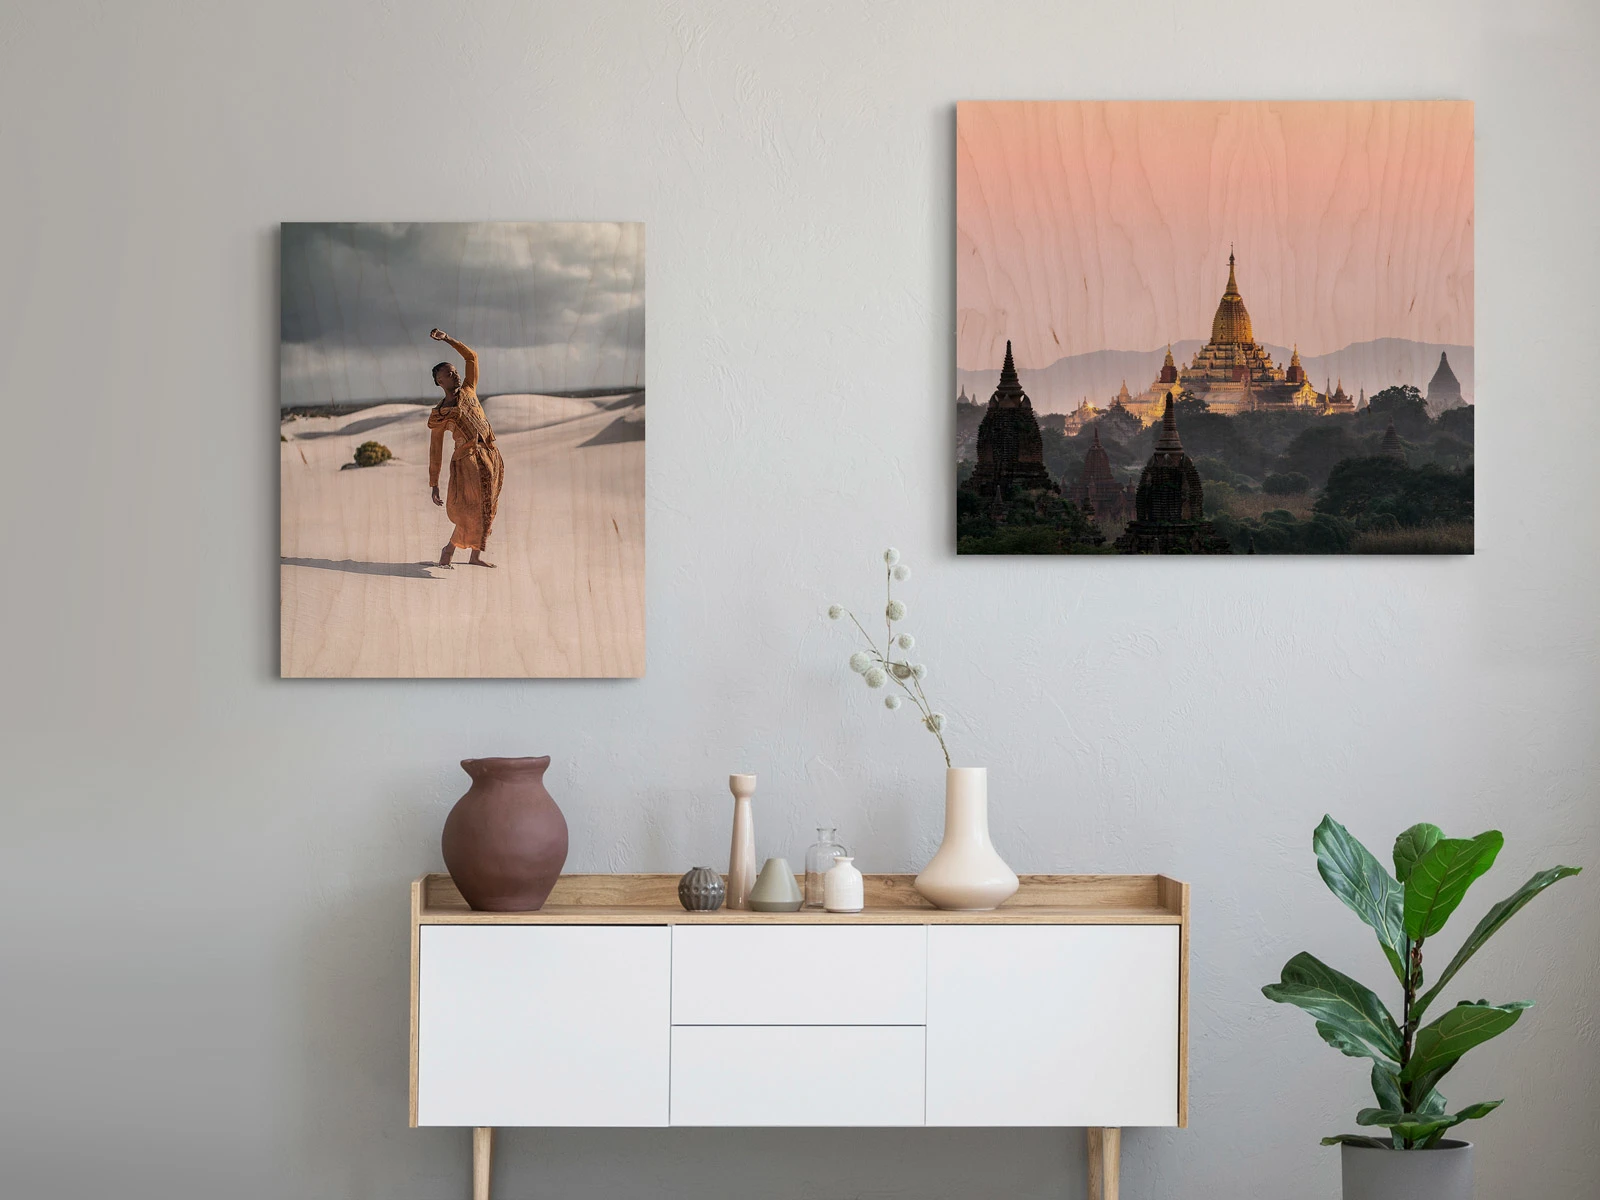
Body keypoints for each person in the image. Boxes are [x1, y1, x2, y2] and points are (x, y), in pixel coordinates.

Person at [426, 329, 504, 568]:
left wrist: (448, 339)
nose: (456, 375)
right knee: (470, 508)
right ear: (440, 382)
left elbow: (472, 358)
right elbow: (435, 449)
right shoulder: (440, 413)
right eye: (450, 374)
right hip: (467, 460)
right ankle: (448, 552)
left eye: (456, 371)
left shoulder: (469, 389)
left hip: (491, 454)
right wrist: (434, 483)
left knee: (488, 505)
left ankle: (475, 555)